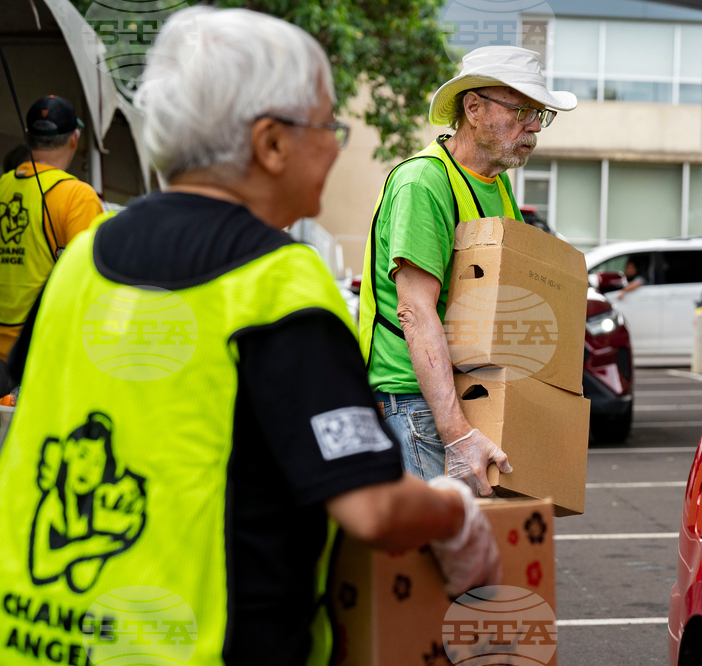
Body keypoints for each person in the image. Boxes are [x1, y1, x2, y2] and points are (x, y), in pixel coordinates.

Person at [0, 8, 500, 665]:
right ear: (270, 144)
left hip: (40, 641)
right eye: (328, 126)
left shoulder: (83, 259)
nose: (336, 144)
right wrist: (454, 518)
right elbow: (374, 506)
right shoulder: (277, 286)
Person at [359, 46, 577, 495]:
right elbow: (416, 312)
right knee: (439, 557)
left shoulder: (496, 184)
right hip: (419, 405)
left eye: (539, 114)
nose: (534, 126)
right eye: (521, 110)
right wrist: (456, 433)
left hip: (465, 396)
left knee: (479, 552)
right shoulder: (423, 183)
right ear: (473, 108)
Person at [0, 95, 104, 361]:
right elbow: (90, 283)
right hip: (39, 352)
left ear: (27, 136)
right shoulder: (78, 196)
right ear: (74, 138)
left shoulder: (2, 186)